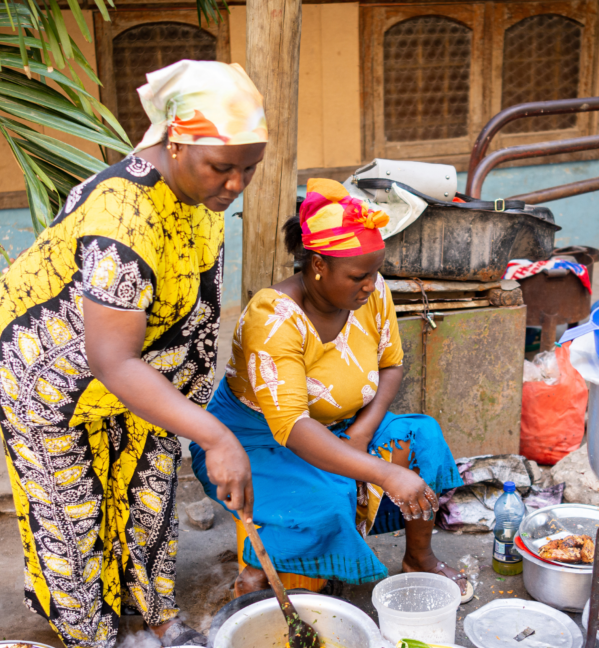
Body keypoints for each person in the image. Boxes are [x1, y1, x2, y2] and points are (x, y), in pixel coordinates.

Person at [0, 60, 265, 648]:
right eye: (221, 166)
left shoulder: (199, 203)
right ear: (174, 141)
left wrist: (186, 410)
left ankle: (157, 616)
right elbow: (111, 359)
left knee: (149, 490)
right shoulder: (121, 214)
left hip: (146, 371)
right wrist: (214, 433)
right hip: (49, 369)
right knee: (71, 506)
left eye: (246, 168)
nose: (234, 183)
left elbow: (192, 307)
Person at [192, 179, 471, 601]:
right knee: (323, 510)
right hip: (260, 439)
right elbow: (292, 427)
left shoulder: (370, 293)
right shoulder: (273, 318)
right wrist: (384, 472)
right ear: (318, 265)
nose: (371, 286)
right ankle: (268, 566)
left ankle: (420, 558)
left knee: (423, 438)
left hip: (343, 425)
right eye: (359, 276)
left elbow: (391, 363)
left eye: (375, 273)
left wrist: (360, 434)